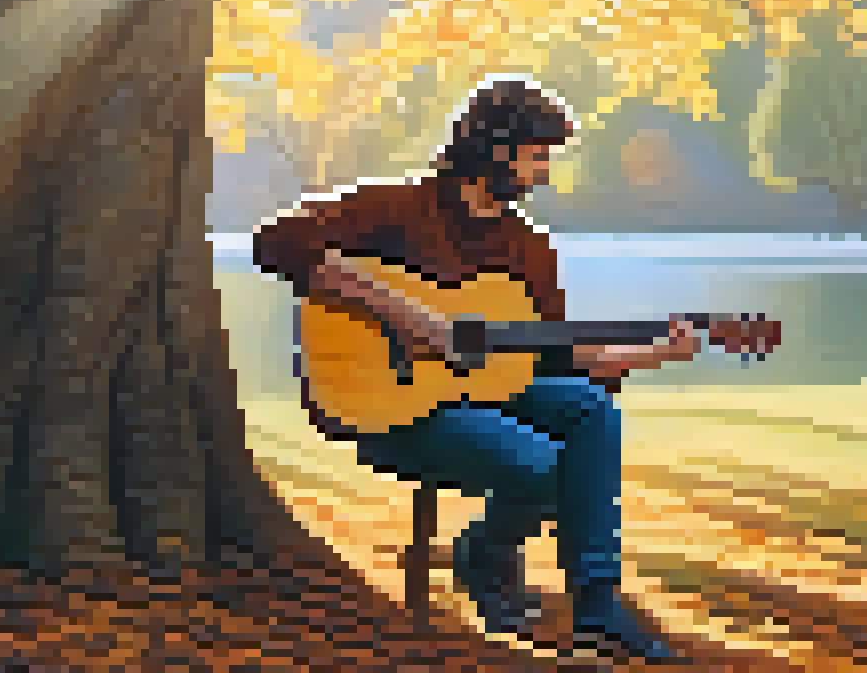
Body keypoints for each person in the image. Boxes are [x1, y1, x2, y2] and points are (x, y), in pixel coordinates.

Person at [251, 78, 698, 662]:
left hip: (484, 392)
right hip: (393, 403)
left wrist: (652, 353)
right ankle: (482, 558)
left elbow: (554, 356)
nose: (542, 171)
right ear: (494, 149)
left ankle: (597, 602)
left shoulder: (528, 247)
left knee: (590, 411)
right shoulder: (395, 209)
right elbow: (276, 242)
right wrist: (406, 314)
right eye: (536, 156)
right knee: (541, 465)